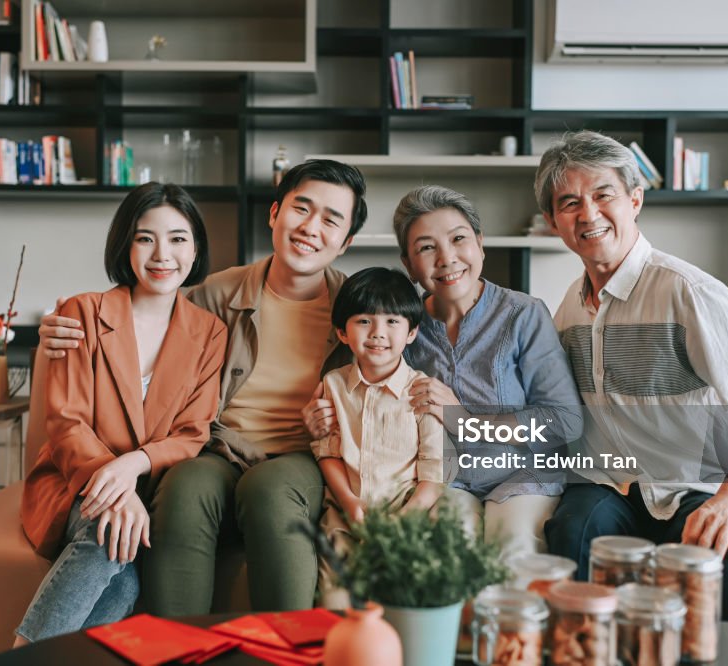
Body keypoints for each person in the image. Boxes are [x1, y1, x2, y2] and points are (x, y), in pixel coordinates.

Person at [37, 159, 368, 615]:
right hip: (218, 449)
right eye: (302, 209)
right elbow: (146, 305)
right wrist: (58, 330)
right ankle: (177, 648)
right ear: (274, 214)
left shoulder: (358, 308)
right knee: (185, 486)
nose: (311, 227)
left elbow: (393, 367)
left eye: (331, 220)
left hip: (299, 456)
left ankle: (284, 651)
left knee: (270, 490)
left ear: (347, 241)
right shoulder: (216, 294)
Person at [536, 130, 728, 625]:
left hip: (697, 487)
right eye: (569, 203)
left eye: (603, 194)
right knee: (572, 537)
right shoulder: (570, 307)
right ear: (554, 222)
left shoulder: (688, 292)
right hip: (609, 485)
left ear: (635, 199)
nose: (587, 214)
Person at [306, 185, 583, 563]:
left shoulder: (523, 314)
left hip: (523, 476)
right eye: (426, 247)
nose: (447, 258)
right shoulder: (402, 324)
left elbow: (564, 422)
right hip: (444, 480)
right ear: (409, 264)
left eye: (458, 239)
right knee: (446, 552)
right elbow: (345, 374)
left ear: (480, 244)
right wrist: (318, 413)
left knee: (513, 547)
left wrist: (468, 421)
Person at [16, 183, 226, 644]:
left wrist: (133, 466)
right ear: (125, 245)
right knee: (106, 531)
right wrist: (114, 488)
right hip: (75, 482)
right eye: (144, 237)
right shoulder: (82, 312)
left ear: (195, 248)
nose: (161, 254)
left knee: (127, 580)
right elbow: (66, 421)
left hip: (150, 489)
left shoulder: (210, 332)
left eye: (177, 238)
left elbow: (193, 432)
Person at [311, 267, 445, 604]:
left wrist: (404, 521)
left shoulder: (422, 391)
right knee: (336, 604)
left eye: (392, 322)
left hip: (406, 516)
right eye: (364, 321)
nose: (377, 333)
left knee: (400, 600)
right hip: (346, 516)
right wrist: (348, 501)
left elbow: (434, 471)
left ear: (412, 332)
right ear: (342, 332)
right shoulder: (333, 385)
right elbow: (327, 451)